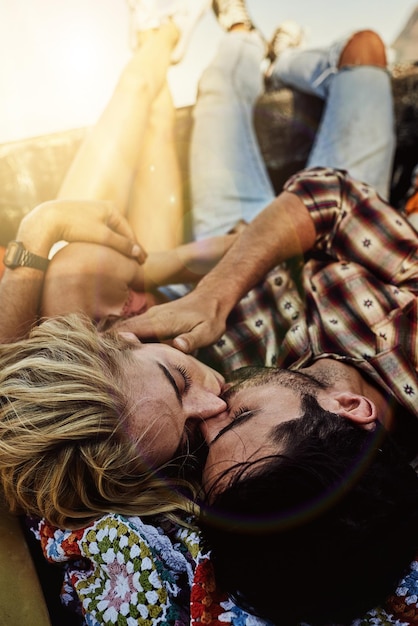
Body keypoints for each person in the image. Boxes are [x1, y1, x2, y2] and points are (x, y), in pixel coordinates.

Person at [1, 1, 418, 626]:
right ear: (350, 410)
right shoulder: (390, 361)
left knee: (220, 83)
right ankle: (274, 48)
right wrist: (207, 294)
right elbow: (330, 197)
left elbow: (25, 396)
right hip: (303, 219)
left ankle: (245, 41)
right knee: (362, 51)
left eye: (203, 428)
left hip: (226, 227)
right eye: (236, 412)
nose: (215, 402)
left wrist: (38, 240)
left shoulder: (224, 464)